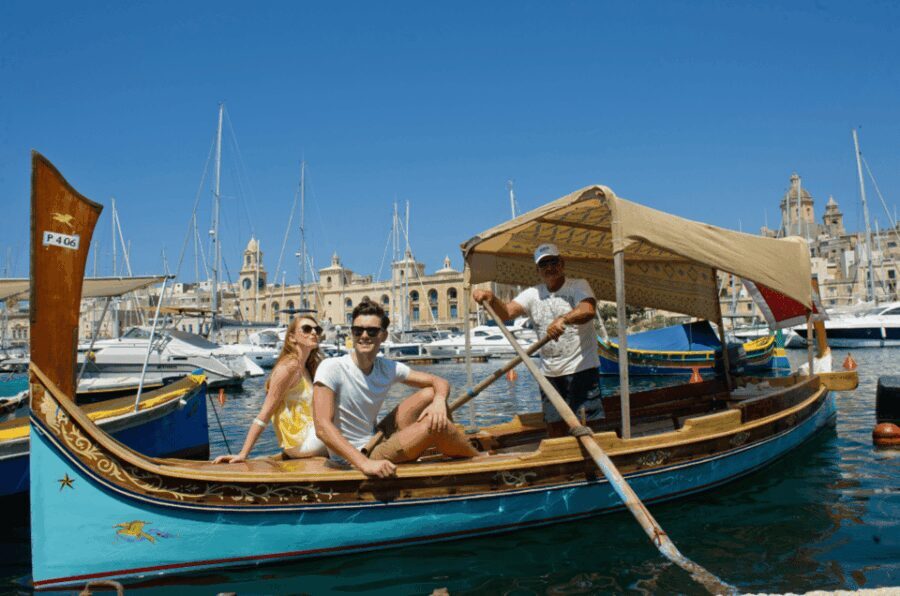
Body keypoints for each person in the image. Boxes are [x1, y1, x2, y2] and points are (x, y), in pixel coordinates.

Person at [313, 299, 478, 478]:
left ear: (383, 335)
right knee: (437, 425)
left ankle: (442, 444)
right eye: (358, 330)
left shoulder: (386, 367)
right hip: (357, 456)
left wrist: (438, 401)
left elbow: (439, 382)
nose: (364, 335)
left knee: (431, 393)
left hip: (377, 437)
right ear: (352, 333)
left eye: (372, 331)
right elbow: (322, 427)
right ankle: (479, 460)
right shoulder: (331, 367)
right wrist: (365, 464)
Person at [472, 243, 603, 437]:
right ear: (538, 270)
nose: (549, 268)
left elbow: (588, 310)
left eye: (553, 262)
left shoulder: (578, 285)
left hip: (581, 371)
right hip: (549, 376)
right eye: (544, 264)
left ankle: (593, 465)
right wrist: (491, 299)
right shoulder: (533, 294)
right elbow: (507, 313)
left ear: (562, 263)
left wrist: (564, 319)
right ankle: (562, 465)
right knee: (554, 429)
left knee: (589, 427)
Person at [212, 315, 327, 463]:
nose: (313, 333)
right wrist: (243, 454)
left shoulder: (306, 367)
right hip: (301, 443)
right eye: (306, 329)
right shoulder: (288, 367)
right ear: (292, 338)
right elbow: (265, 413)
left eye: (317, 329)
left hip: (312, 435)